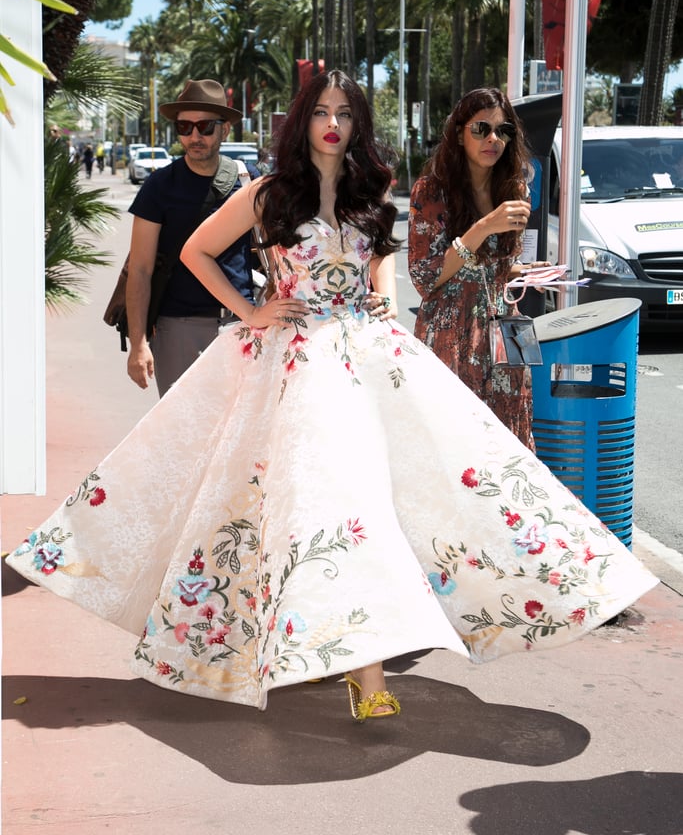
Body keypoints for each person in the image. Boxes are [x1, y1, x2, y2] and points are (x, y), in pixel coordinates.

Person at [7, 70, 657, 722]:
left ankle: (355, 662)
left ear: (357, 125)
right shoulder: (268, 193)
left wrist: (382, 295)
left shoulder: (372, 194)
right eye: (321, 111)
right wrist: (249, 311)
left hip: (368, 356)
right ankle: (348, 665)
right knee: (300, 508)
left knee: (404, 491)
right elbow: (197, 252)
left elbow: (383, 269)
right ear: (301, 121)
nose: (332, 123)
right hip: (293, 363)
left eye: (345, 113)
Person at [408, 87, 544, 449]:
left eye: (504, 131)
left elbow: (495, 267)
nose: (493, 139)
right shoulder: (431, 191)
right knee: (455, 440)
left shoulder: (516, 189)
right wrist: (483, 227)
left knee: (514, 429)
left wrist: (526, 271)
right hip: (452, 326)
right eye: (481, 129)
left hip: (509, 325)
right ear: (458, 133)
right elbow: (426, 278)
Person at [125, 79, 254, 398]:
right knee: (183, 439)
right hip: (178, 330)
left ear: (224, 130)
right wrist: (138, 344)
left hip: (242, 326)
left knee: (237, 438)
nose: (194, 136)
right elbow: (139, 269)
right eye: (185, 126)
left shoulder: (248, 181)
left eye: (205, 126)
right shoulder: (159, 186)